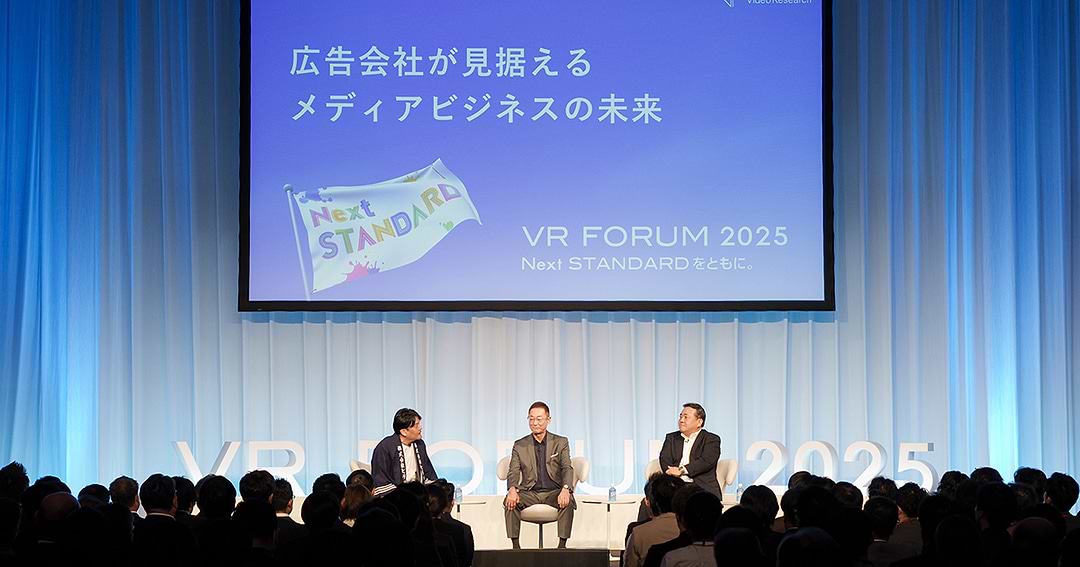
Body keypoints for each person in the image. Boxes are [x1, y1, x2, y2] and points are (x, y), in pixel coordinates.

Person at [504, 401, 576, 549]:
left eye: (539, 419)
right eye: (531, 419)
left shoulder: (560, 442)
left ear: (548, 419)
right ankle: (515, 548)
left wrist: (566, 489)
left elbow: (567, 468)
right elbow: (513, 470)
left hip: (554, 491)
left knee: (567, 500)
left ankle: (562, 547)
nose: (534, 423)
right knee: (510, 501)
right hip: (530, 492)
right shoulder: (520, 445)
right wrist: (512, 489)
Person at [657, 404, 722, 498]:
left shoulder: (711, 439)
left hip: (701, 486)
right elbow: (664, 458)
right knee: (651, 498)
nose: (681, 420)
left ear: (699, 422)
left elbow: (706, 461)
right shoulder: (671, 438)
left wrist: (681, 470)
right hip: (674, 484)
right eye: (680, 416)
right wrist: (670, 471)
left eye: (686, 417)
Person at [371, 408, 438, 496]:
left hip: (418, 495)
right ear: (404, 431)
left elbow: (428, 474)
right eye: (416, 425)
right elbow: (381, 480)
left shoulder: (420, 445)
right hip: (395, 496)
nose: (420, 428)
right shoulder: (385, 447)